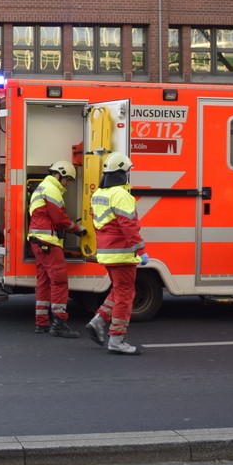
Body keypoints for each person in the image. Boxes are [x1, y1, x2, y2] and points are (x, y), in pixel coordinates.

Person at [86, 152, 146, 355]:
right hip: (122, 252)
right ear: (122, 172)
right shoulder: (121, 195)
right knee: (125, 295)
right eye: (127, 171)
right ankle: (117, 339)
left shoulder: (99, 194)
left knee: (119, 290)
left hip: (107, 252)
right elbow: (128, 225)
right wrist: (140, 249)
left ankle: (99, 320)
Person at [28, 160, 87, 339]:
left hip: (38, 241)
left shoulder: (44, 187)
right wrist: (78, 230)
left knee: (44, 282)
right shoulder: (51, 189)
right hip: (48, 242)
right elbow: (60, 219)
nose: (67, 183)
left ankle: (41, 322)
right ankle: (59, 323)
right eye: (67, 179)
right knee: (59, 282)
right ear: (59, 174)